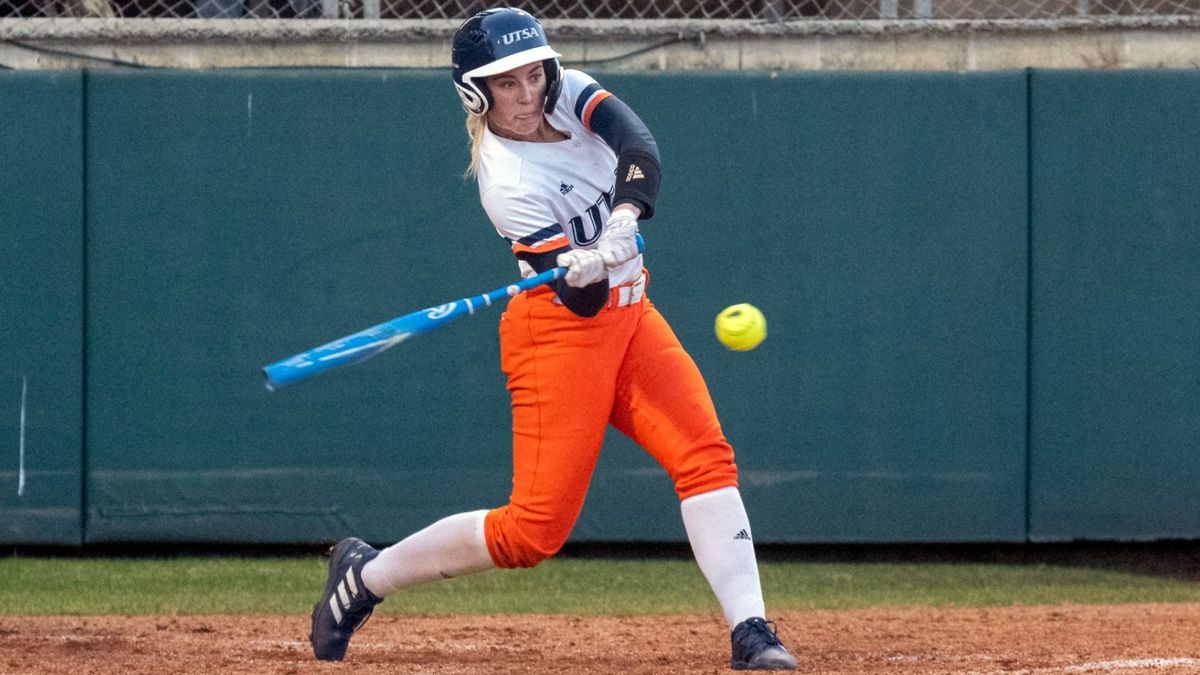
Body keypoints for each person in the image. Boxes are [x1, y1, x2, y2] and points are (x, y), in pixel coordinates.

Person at [308, 7, 797, 671]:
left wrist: (622, 219)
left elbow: (639, 146)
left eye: (533, 73)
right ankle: (365, 576)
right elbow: (580, 299)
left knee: (705, 455)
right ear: (477, 93)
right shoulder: (506, 183)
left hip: (634, 317)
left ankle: (751, 632)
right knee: (532, 530)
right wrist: (579, 268)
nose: (528, 91)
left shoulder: (571, 93)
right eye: (507, 82)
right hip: (559, 335)